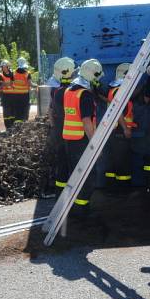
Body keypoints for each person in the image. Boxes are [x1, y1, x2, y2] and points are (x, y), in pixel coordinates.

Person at [62, 58, 103, 216]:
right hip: (81, 140)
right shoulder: (84, 95)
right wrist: (95, 144)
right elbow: (86, 121)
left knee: (75, 172)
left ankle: (74, 206)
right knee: (87, 175)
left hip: (69, 138)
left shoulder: (69, 90)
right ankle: (82, 208)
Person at [105, 63, 136, 186]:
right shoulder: (120, 91)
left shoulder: (113, 90)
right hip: (120, 132)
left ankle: (112, 187)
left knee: (114, 161)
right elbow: (118, 112)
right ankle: (123, 190)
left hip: (113, 131)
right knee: (122, 162)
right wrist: (125, 129)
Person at [47, 57, 76, 194]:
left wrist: (53, 126)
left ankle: (60, 190)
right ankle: (72, 190)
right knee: (71, 161)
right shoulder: (74, 92)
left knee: (61, 160)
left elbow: (50, 110)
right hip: (71, 133)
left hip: (58, 130)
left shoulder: (55, 91)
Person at [11, 57, 33, 124]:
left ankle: (17, 125)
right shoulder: (27, 73)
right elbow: (30, 84)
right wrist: (36, 86)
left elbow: (11, 83)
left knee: (17, 111)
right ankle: (24, 125)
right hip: (25, 96)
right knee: (25, 110)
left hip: (15, 96)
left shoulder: (13, 73)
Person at [0, 60, 16, 130]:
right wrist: (9, 83)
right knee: (6, 112)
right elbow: (1, 84)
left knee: (13, 111)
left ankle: (13, 125)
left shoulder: (12, 74)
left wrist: (9, 83)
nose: (4, 68)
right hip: (5, 95)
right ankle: (8, 127)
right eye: (3, 67)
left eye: (5, 67)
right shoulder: (0, 75)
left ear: (8, 67)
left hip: (12, 95)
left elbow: (14, 83)